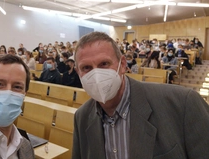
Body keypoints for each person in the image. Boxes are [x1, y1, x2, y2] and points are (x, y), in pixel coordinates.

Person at [72, 32, 209, 159]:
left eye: (104, 64)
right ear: (78, 72)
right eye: (86, 68)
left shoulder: (183, 103)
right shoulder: (82, 117)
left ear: (123, 65)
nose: (96, 75)